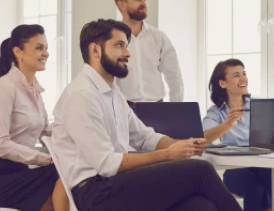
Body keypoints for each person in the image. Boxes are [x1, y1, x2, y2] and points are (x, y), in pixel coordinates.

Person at [50, 19, 242, 211]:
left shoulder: (113, 92)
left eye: (126, 45)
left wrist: (183, 146)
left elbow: (144, 137)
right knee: (201, 170)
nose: (127, 53)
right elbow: (107, 164)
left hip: (114, 184)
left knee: (200, 206)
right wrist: (167, 154)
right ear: (95, 50)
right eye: (119, 45)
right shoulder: (81, 95)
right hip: (96, 194)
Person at [0, 24, 70, 211]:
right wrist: (46, 159)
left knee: (69, 171)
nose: (46, 53)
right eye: (39, 47)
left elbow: (47, 133)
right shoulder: (3, 88)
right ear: (18, 51)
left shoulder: (35, 91)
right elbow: (0, 144)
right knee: (59, 172)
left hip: (18, 173)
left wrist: (77, 143)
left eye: (46, 47)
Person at [202, 59, 274, 211]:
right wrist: (228, 123)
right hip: (236, 170)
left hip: (263, 164)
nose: (243, 78)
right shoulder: (216, 111)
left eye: (244, 73)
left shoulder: (258, 104)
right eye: (236, 75)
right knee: (255, 188)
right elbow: (205, 137)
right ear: (223, 84)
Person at [112, 0, 184, 110]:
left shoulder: (158, 37)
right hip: (124, 110)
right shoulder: (111, 39)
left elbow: (174, 77)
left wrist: (175, 110)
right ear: (122, 5)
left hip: (157, 111)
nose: (144, 4)